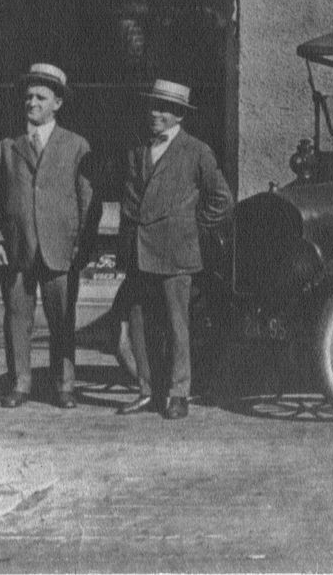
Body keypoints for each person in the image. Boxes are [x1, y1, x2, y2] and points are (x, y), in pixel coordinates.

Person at [114, 79, 231, 419]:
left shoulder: (197, 151)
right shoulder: (137, 148)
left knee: (177, 325)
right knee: (139, 323)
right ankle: (147, 390)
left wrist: (191, 226)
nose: (156, 113)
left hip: (176, 252)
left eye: (164, 109)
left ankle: (179, 393)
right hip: (139, 250)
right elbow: (130, 197)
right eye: (153, 106)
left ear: (180, 114)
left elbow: (222, 199)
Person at [0, 62, 98, 409]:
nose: (31, 103)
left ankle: (64, 385)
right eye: (28, 96)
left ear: (57, 104)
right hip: (16, 248)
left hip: (60, 248)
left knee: (62, 319)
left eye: (40, 98)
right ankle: (19, 383)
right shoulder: (7, 146)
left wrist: (82, 244)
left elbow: (87, 200)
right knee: (17, 319)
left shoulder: (76, 146)